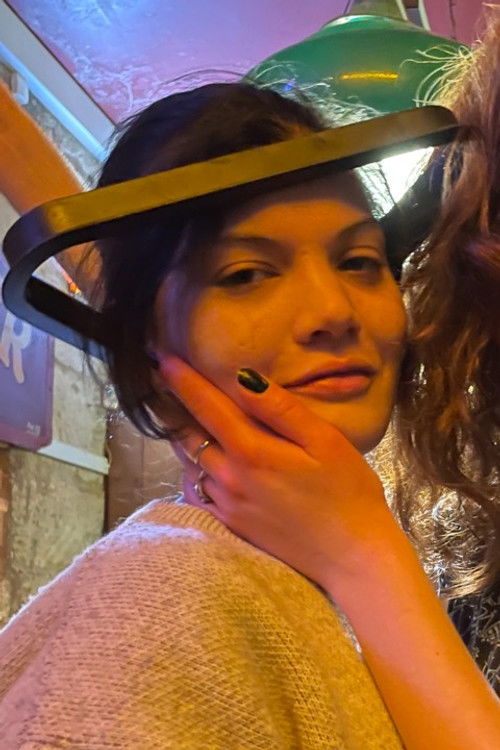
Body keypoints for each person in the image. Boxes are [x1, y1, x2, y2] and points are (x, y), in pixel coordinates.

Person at [0, 80, 498, 750]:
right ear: (146, 342)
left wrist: (363, 550)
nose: (333, 313)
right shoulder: (163, 607)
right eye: (246, 274)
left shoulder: (321, 580)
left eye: (359, 261)